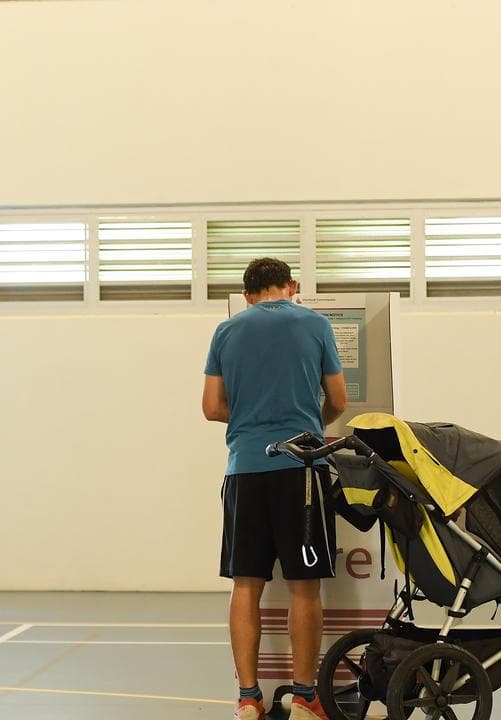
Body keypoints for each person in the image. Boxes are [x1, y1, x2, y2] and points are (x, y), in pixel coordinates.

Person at [202, 258, 348, 720]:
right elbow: (339, 400)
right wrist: (308, 424)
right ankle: (305, 696)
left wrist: (250, 418)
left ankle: (249, 698)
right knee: (304, 587)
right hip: (300, 470)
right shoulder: (315, 324)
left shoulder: (226, 332)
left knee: (245, 585)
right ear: (292, 286)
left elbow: (211, 407)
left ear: (247, 295)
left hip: (245, 470)